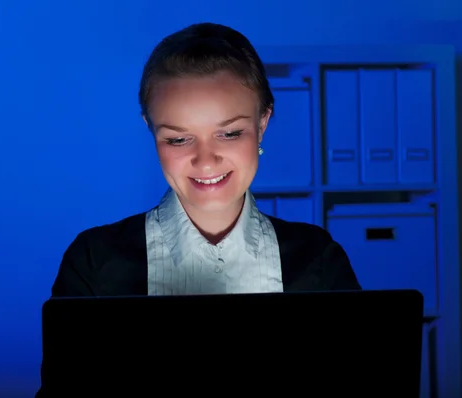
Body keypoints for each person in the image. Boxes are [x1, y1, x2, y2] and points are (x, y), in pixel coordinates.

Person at [36, 22, 361, 397]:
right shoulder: (93, 261)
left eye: (230, 133)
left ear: (263, 122)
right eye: (178, 138)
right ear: (151, 130)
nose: (205, 161)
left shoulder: (318, 259)